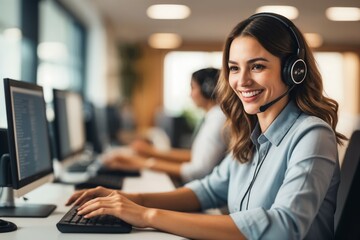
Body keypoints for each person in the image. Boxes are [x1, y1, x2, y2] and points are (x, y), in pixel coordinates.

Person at [66, 12, 347, 239]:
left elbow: (284, 226)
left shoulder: (312, 134)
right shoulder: (250, 135)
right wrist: (127, 198)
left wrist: (146, 215)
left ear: (293, 70)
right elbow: (208, 190)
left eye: (257, 66)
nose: (242, 81)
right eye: (234, 68)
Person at [101, 67, 228, 184]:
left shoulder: (217, 120)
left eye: (193, 88)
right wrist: (151, 153)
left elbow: (198, 171)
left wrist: (142, 162)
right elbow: (195, 156)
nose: (190, 94)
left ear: (208, 89)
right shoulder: (213, 116)